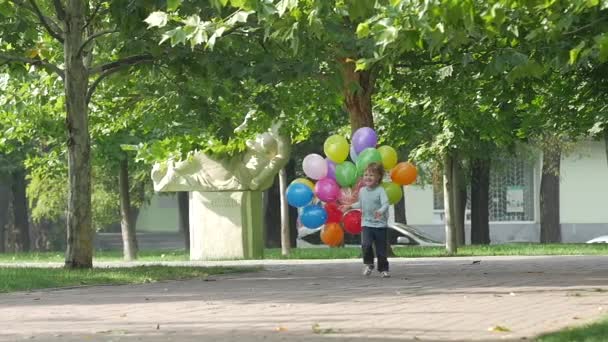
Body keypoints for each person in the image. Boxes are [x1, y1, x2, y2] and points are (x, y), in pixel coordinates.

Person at [341, 162, 391, 278]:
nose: (368, 177)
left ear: (378, 177)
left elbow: (386, 204)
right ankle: (369, 264)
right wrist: (350, 206)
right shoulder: (362, 191)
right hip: (367, 224)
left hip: (380, 225)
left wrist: (380, 211)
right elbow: (361, 203)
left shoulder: (380, 190)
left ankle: (383, 269)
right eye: (366, 175)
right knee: (366, 244)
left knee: (381, 250)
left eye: (371, 175)